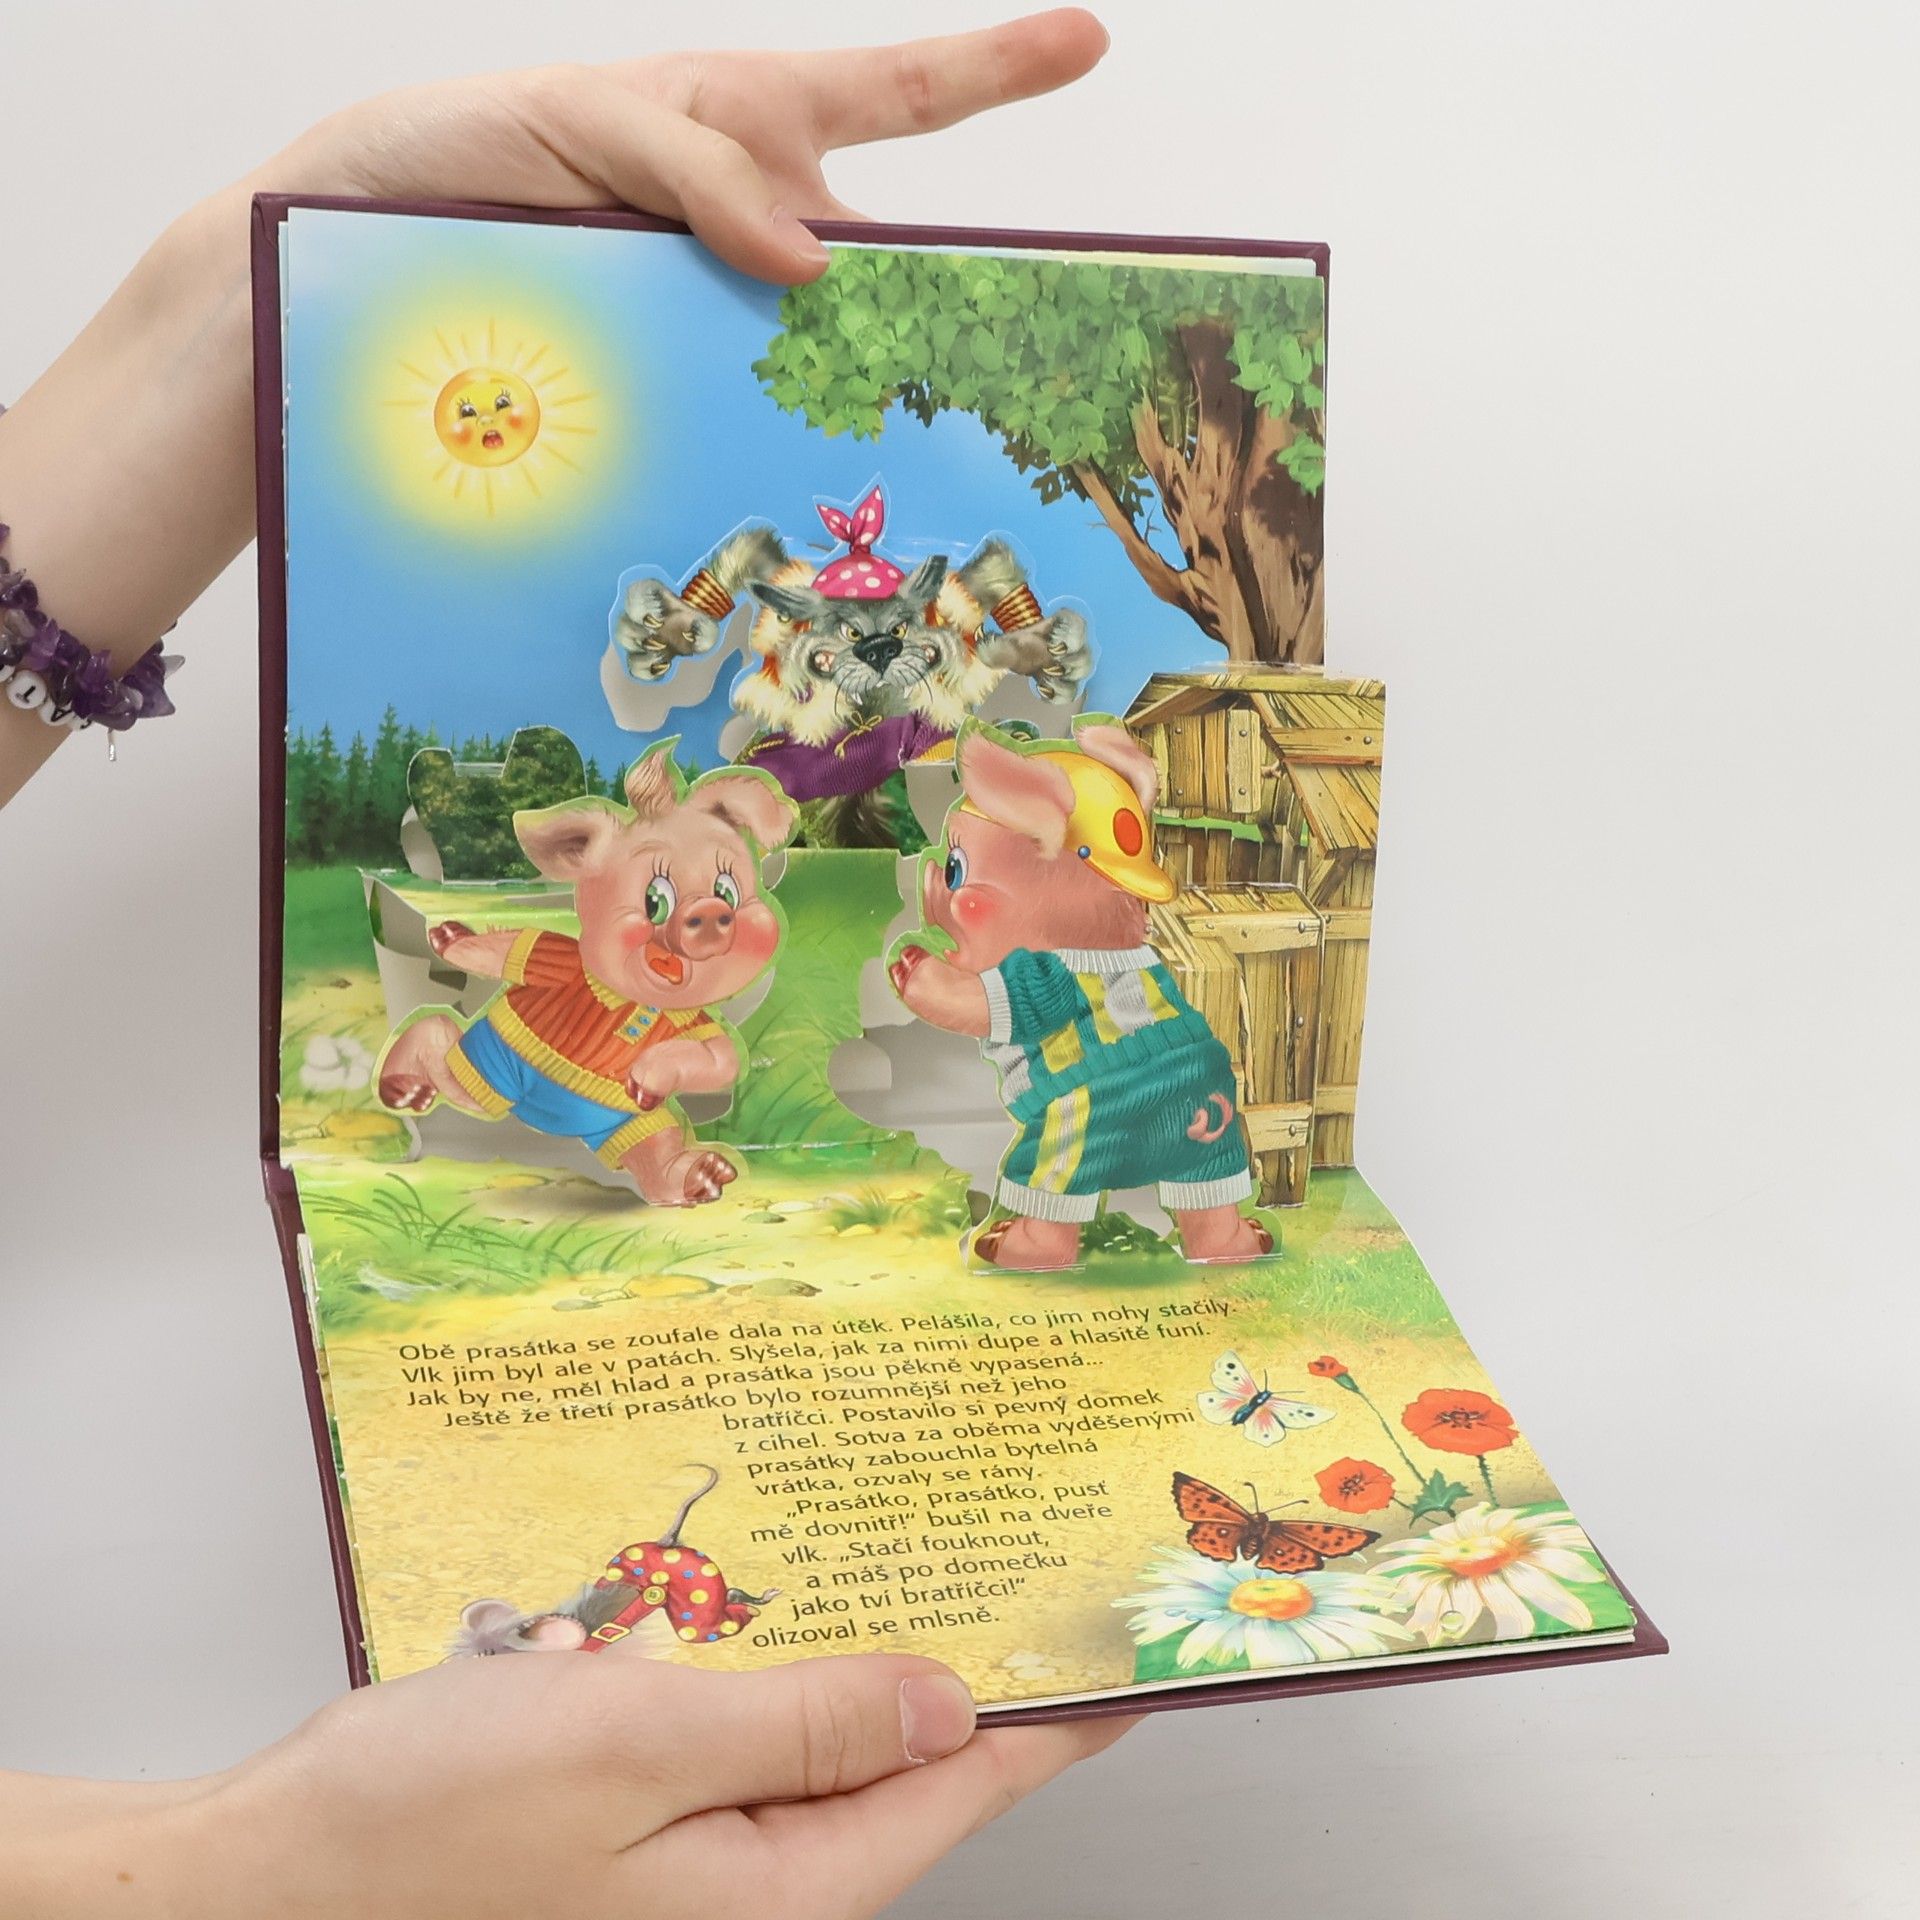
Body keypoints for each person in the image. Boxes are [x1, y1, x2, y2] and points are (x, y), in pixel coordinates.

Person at [0, 15, 1135, 1915]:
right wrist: (247, 1879)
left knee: (643, 1097)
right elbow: (548, 941)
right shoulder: (623, 850)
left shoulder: (858, 770)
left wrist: (249, 283)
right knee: (515, 1057)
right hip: (540, 1044)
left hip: (644, 1074)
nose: (699, 931)